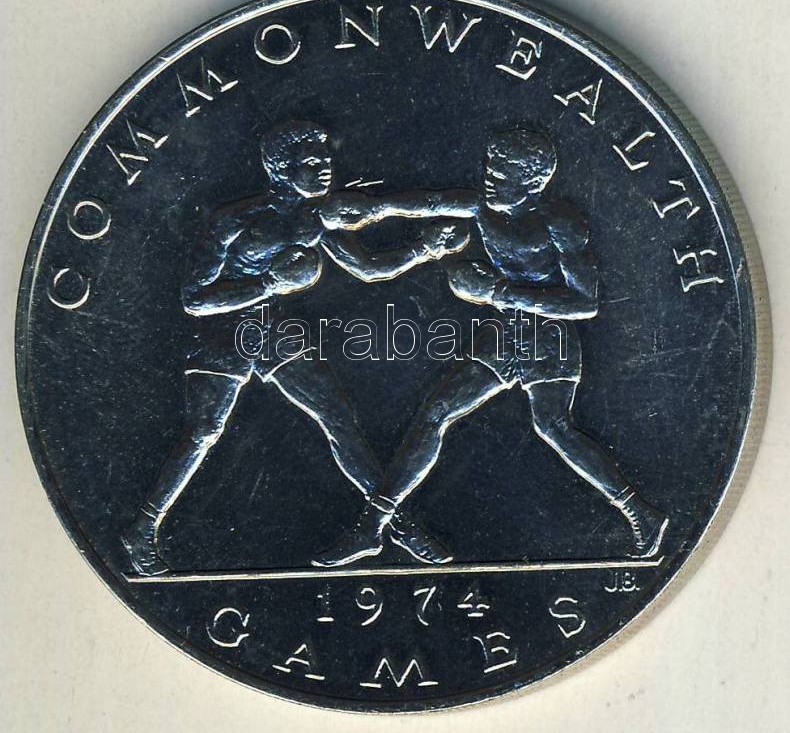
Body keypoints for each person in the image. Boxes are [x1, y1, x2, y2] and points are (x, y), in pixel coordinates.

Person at [122, 120, 468, 575]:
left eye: (325, 159)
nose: (325, 168)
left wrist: (424, 249)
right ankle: (143, 529)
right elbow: (195, 299)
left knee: (336, 415)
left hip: (269, 330)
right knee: (204, 430)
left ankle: (390, 525)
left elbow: (369, 268)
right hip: (222, 333)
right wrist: (267, 283)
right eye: (311, 161)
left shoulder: (315, 219)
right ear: (281, 170)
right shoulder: (235, 221)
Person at [314, 128, 669, 567]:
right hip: (506, 335)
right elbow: (428, 202)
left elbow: (585, 303)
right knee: (437, 411)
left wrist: (498, 292)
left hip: (550, 339)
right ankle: (373, 525)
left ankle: (638, 511)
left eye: (502, 175)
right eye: (490, 169)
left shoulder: (560, 222)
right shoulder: (481, 207)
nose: (490, 180)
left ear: (533, 182)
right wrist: (375, 209)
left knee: (554, 427)